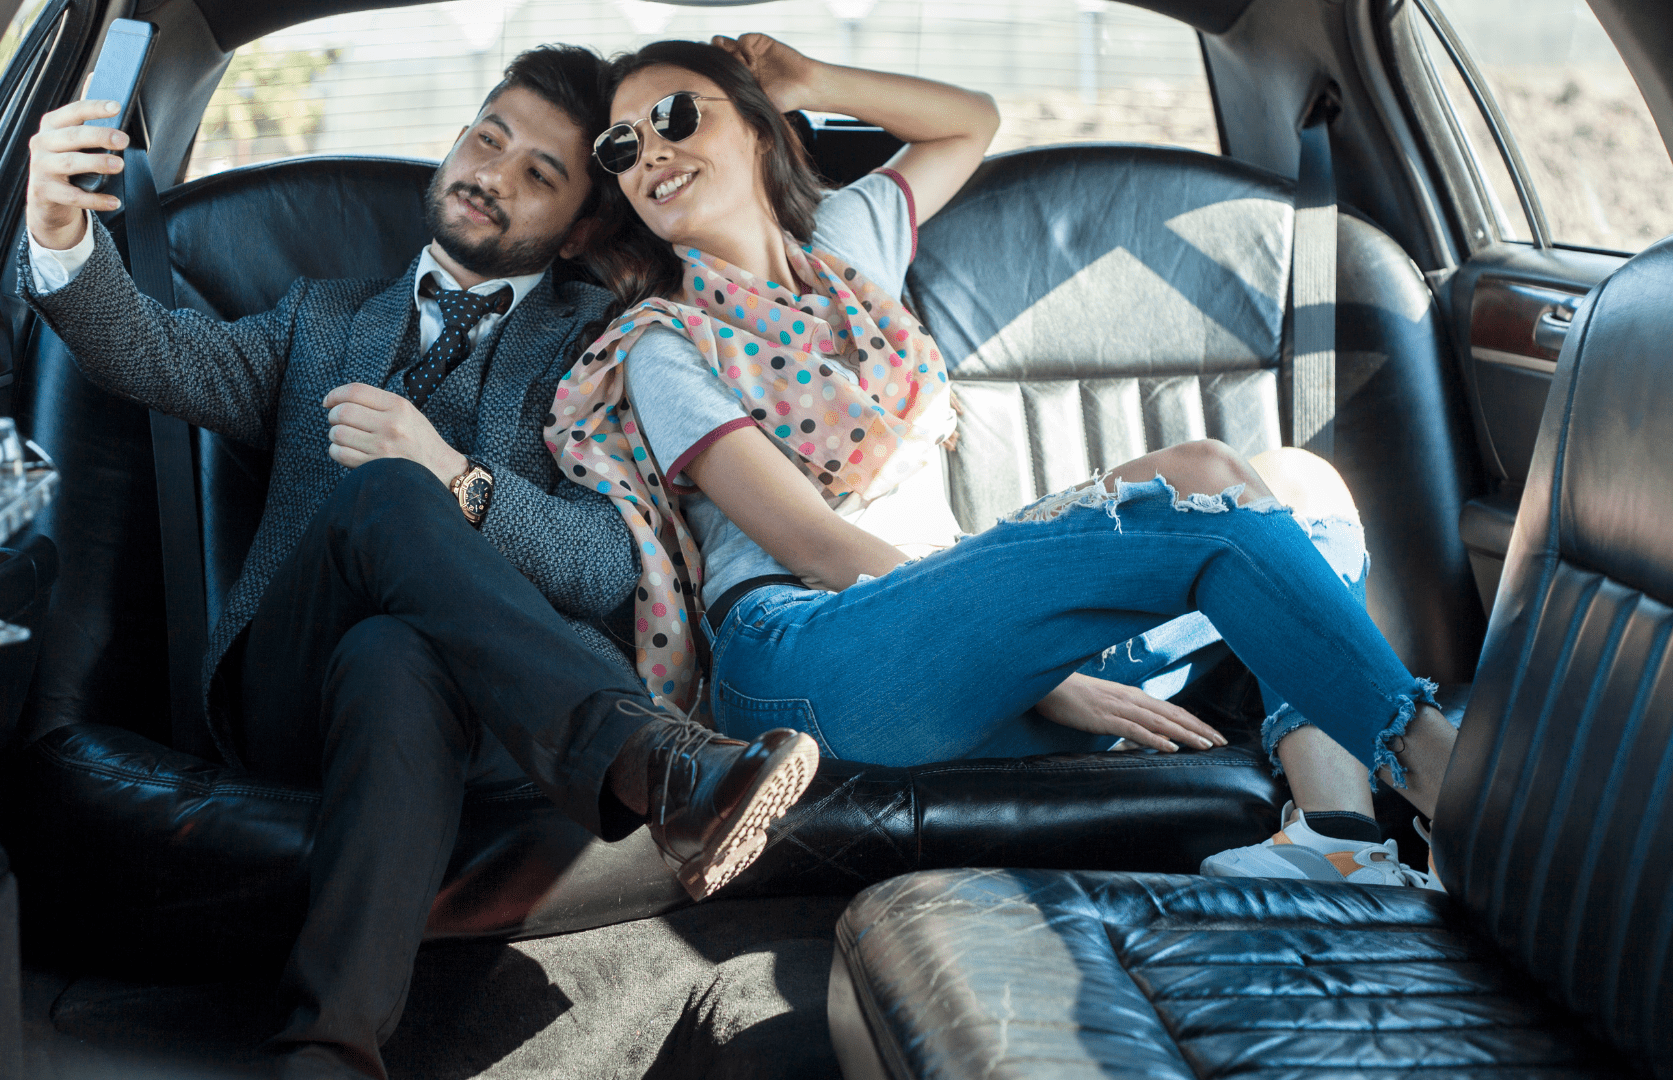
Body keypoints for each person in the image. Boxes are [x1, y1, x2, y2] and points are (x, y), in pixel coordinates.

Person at [18, 44, 817, 1080]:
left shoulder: (605, 344)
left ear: (579, 226)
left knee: (399, 645)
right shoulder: (319, 320)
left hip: (490, 726)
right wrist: (55, 229)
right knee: (381, 500)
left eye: (540, 173)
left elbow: (606, 565)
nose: (494, 173)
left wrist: (458, 479)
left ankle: (327, 1049)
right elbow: (150, 352)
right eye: (488, 140)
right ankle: (646, 761)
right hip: (287, 698)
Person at [552, 34, 1464, 893]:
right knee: (1204, 475)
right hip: (808, 657)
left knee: (1304, 484)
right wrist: (1055, 677)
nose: (648, 155)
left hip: (962, 644)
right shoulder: (663, 343)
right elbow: (818, 544)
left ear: (757, 126)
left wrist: (810, 80)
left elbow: (971, 122)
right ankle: (1451, 784)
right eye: (618, 149)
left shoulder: (849, 243)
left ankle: (1338, 845)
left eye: (676, 116)